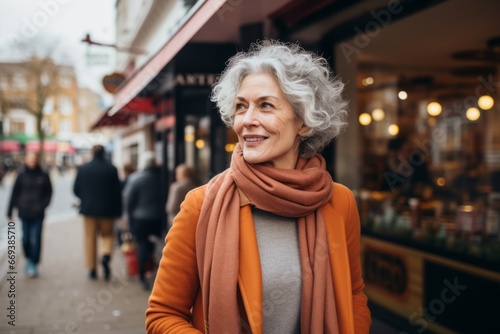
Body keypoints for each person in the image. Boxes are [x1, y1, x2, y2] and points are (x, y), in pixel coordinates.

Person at [146, 40, 371, 333]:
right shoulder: (200, 205)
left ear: (303, 121)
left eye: (265, 105)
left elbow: (353, 293)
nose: (247, 120)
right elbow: (163, 314)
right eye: (241, 107)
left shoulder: (339, 201)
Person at [73, 144, 122, 281]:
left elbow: (76, 189)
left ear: (93, 153)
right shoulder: (112, 169)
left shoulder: (83, 169)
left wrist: (85, 198)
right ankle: (106, 255)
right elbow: (117, 192)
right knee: (107, 236)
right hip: (108, 211)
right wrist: (119, 211)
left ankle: (92, 269)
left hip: (89, 211)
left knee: (90, 239)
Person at [7, 152, 52, 278]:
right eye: (30, 160)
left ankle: (34, 263)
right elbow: (14, 193)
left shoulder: (43, 175)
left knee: (37, 239)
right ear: (26, 160)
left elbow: (49, 192)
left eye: (34, 160)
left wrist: (43, 205)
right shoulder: (21, 175)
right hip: (24, 212)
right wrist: (10, 210)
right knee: (26, 239)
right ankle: (27, 258)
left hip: (38, 214)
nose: (32, 162)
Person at [124, 151, 165, 290]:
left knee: (142, 245)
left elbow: (128, 202)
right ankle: (162, 275)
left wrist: (128, 222)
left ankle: (142, 275)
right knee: (160, 244)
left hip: (139, 219)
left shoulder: (135, 179)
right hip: (157, 218)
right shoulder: (162, 177)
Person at [165, 163, 197, 229]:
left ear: (181, 174)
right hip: (192, 220)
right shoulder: (196, 186)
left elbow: (171, 208)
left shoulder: (176, 187)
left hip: (177, 220)